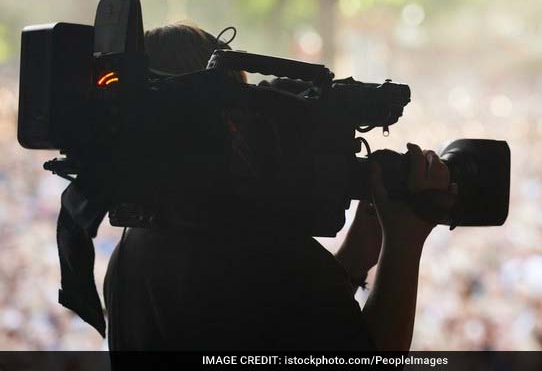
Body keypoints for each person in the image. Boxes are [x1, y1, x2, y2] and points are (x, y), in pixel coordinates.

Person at [104, 22, 451, 351]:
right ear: (228, 117)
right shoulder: (258, 248)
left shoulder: (133, 249)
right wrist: (405, 240)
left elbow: (285, 326)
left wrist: (355, 258)